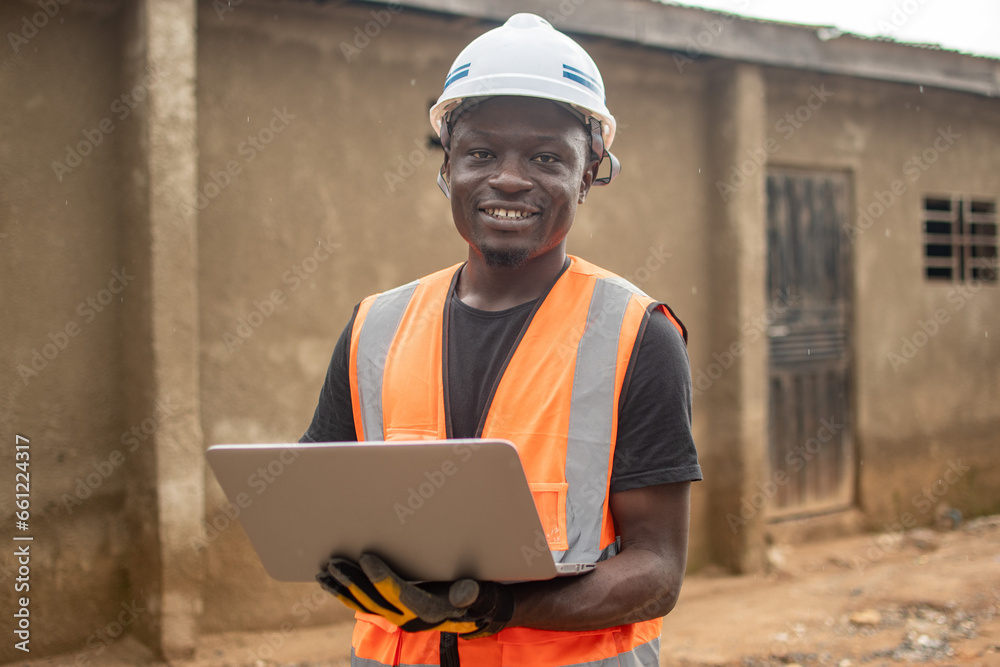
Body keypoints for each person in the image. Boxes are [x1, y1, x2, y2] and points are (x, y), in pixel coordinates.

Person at [302, 13, 701, 667]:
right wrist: (335, 559)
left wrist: (496, 607)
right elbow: (315, 509)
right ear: (447, 168)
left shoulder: (636, 334)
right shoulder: (374, 327)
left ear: (589, 172)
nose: (509, 178)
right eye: (481, 153)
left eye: (547, 157)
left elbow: (658, 570)